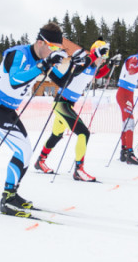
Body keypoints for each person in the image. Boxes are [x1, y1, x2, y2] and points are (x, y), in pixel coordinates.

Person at [0, 22, 67, 215]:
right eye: (52, 47)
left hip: (9, 110)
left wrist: (79, 64)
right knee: (21, 149)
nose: (53, 51)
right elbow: (15, 79)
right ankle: (7, 199)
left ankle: (12, 194)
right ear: (40, 42)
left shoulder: (44, 59)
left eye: (58, 49)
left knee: (26, 151)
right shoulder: (19, 53)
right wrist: (44, 64)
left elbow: (62, 81)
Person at [35, 39, 111, 181]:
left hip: (68, 103)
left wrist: (110, 65)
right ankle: (79, 170)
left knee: (57, 135)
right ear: (96, 53)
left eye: (106, 57)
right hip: (62, 103)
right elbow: (77, 70)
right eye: (103, 56)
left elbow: (98, 75)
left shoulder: (94, 67)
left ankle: (40, 161)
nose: (104, 60)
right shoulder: (84, 62)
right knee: (83, 133)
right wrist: (93, 56)